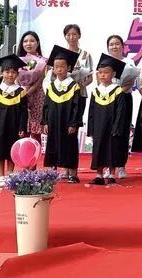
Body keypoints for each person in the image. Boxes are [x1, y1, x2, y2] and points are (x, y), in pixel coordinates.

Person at [42, 45, 85, 183]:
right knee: (52, 144)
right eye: (56, 66)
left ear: (69, 68)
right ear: (53, 69)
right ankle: (53, 173)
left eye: (62, 66)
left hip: (68, 123)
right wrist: (45, 122)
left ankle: (73, 174)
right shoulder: (51, 87)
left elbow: (77, 107)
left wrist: (74, 123)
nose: (59, 69)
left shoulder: (74, 86)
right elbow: (46, 106)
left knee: (70, 146)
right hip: (53, 122)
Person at [0, 54, 28, 187]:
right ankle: (1, 176)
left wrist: (22, 127)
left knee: (12, 149)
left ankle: (10, 174)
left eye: (13, 72)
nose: (10, 74)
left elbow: (23, 112)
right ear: (2, 73)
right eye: (7, 71)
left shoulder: (21, 92)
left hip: (14, 126)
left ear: (17, 74)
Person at [87, 53, 129, 186]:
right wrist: (91, 129)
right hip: (98, 127)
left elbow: (120, 112)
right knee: (98, 149)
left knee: (112, 149)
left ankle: (111, 174)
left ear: (113, 74)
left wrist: (117, 127)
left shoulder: (117, 91)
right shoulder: (95, 91)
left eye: (106, 72)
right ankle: (99, 175)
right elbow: (91, 112)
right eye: (100, 73)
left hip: (112, 127)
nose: (103, 75)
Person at [106, 35, 139, 180]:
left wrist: (118, 91)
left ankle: (121, 166)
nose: (114, 46)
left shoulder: (129, 62)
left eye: (117, 44)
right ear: (108, 47)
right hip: (106, 99)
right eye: (111, 44)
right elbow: (99, 79)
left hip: (124, 98)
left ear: (123, 46)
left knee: (123, 132)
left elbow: (131, 82)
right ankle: (108, 166)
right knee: (108, 133)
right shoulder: (105, 62)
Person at [43, 24, 94, 98]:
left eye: (74, 34)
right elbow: (52, 74)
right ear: (65, 36)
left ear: (79, 35)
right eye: (68, 35)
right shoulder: (59, 53)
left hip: (79, 93)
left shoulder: (86, 55)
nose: (71, 37)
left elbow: (90, 77)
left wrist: (80, 86)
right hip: (61, 93)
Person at [17, 31, 48, 149]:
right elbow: (16, 78)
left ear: (37, 43)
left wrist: (28, 92)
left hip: (37, 96)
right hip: (20, 95)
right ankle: (24, 159)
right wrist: (22, 90)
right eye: (25, 41)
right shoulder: (18, 60)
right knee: (22, 129)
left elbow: (40, 79)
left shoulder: (43, 61)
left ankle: (35, 159)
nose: (28, 44)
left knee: (36, 131)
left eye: (32, 41)